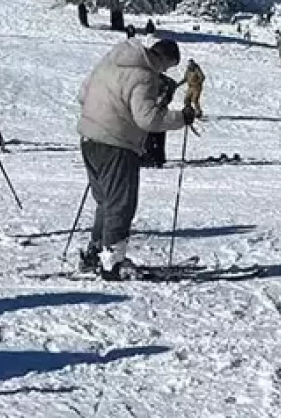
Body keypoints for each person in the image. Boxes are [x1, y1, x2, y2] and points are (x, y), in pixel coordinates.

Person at [77, 38, 196, 278]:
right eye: (168, 66)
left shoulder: (110, 61)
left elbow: (82, 95)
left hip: (89, 138)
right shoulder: (145, 76)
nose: (164, 72)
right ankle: (112, 263)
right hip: (117, 145)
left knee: (105, 201)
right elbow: (147, 119)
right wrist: (181, 118)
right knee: (121, 204)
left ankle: (96, 252)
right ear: (162, 58)